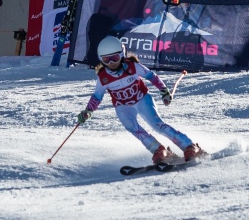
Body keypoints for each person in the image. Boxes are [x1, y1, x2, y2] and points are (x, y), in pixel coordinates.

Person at [75, 35, 202, 166]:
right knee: (132, 127)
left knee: (156, 125)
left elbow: (151, 76)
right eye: (106, 59)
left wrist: (164, 91)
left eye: (115, 58)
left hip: (142, 99)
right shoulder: (103, 77)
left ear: (122, 54)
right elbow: (97, 97)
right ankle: (158, 150)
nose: (111, 63)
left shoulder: (133, 67)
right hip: (123, 106)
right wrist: (88, 111)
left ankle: (189, 146)